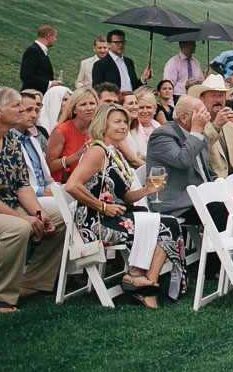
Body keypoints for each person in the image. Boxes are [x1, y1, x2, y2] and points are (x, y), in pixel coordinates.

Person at [65, 103, 186, 307]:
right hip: (96, 222)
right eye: (116, 122)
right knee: (166, 225)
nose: (122, 126)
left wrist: (146, 190)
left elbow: (125, 197)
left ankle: (142, 279)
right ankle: (142, 283)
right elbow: (71, 186)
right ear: (103, 125)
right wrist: (102, 207)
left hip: (117, 215)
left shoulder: (115, 152)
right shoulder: (97, 151)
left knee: (169, 222)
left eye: (124, 122)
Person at [0, 86, 67, 313]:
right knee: (17, 227)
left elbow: (22, 185)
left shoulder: (10, 139)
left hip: (4, 208)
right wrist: (23, 218)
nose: (22, 109)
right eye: (16, 106)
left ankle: (33, 283)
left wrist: (38, 213)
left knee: (60, 218)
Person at [143, 95, 214, 222]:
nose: (205, 119)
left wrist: (224, 189)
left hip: (202, 196)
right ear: (183, 117)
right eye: (200, 115)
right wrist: (196, 132)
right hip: (177, 202)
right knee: (221, 210)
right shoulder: (163, 135)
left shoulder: (198, 135)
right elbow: (183, 161)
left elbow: (208, 172)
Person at [46, 86, 98, 182]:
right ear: (74, 109)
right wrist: (76, 155)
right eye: (83, 105)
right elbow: (48, 166)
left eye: (92, 103)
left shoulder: (98, 130)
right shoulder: (62, 130)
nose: (89, 108)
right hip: (62, 185)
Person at [14, 91, 52, 199]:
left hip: (45, 192)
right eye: (29, 110)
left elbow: (46, 178)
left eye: (36, 110)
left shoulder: (32, 140)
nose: (34, 115)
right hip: (27, 198)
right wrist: (45, 192)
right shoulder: (7, 141)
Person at [19, 24, 59, 94]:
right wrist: (49, 84)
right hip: (31, 94)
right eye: (54, 37)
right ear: (48, 36)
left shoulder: (40, 51)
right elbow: (26, 75)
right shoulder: (33, 50)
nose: (55, 39)